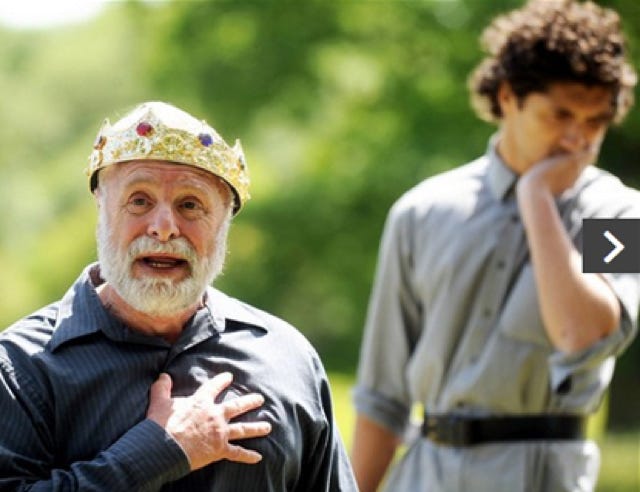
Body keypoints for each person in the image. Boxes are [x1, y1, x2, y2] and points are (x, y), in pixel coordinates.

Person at [351, 1, 640, 491]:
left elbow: (582, 333)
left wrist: (536, 197)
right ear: (508, 97)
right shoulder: (420, 212)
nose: (578, 139)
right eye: (561, 115)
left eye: (595, 121)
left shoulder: (622, 215)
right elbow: (382, 396)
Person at [0, 101, 357, 491]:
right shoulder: (20, 367)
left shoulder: (287, 358)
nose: (164, 227)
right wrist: (157, 451)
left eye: (190, 205)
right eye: (139, 201)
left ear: (225, 220)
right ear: (101, 206)